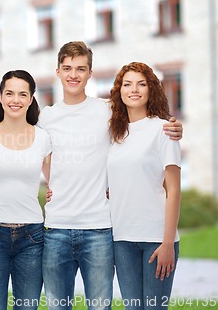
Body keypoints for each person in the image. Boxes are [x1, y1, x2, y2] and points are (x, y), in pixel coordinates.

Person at [39, 41, 182, 310]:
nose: (73, 74)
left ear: (90, 73)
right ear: (57, 71)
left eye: (81, 68)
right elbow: (35, 150)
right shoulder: (46, 117)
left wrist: (175, 126)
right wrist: (52, 181)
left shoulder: (108, 112)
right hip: (65, 228)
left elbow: (146, 124)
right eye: (67, 68)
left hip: (100, 228)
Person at [107, 62, 181, 310]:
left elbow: (174, 190)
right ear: (120, 91)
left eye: (141, 83)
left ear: (151, 89)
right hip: (122, 239)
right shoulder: (114, 135)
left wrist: (168, 242)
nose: (134, 89)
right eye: (127, 84)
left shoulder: (163, 130)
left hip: (156, 238)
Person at [0, 70, 51, 310]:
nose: (15, 100)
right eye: (9, 93)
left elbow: (58, 183)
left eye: (22, 94)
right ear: (0, 96)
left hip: (32, 236)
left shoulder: (42, 138)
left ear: (31, 99)